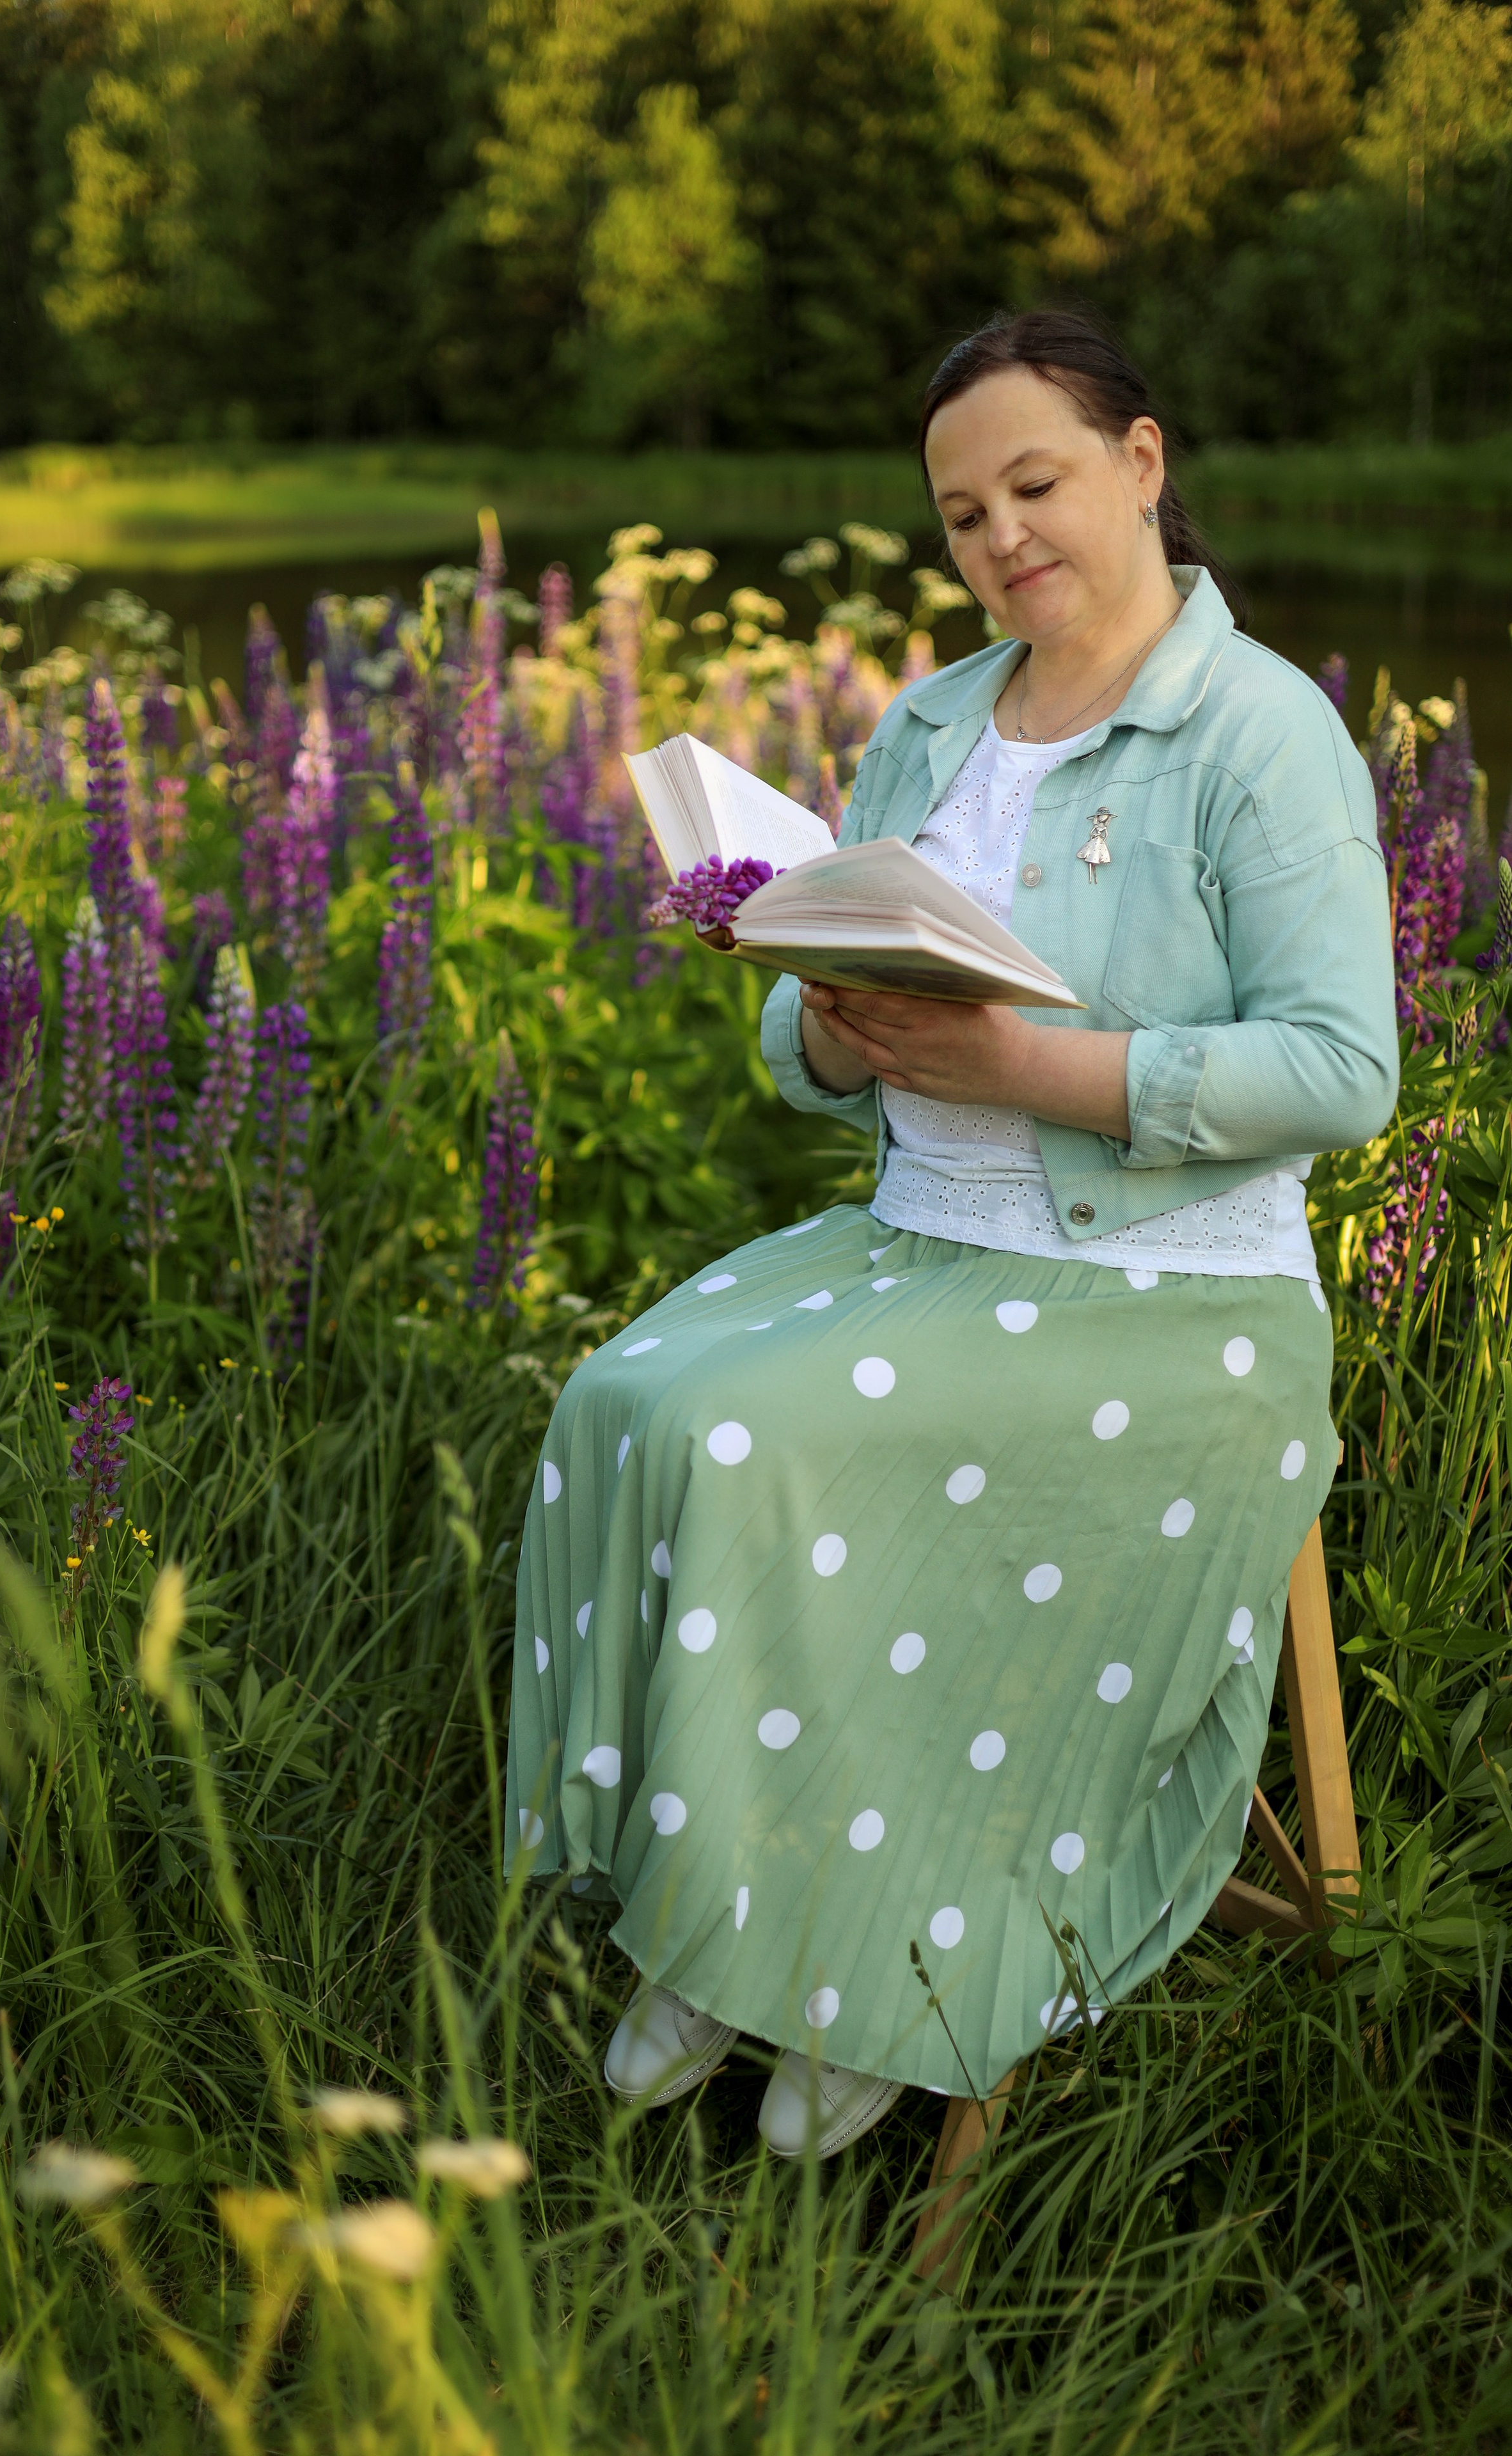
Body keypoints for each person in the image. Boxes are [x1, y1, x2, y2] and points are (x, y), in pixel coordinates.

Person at [503, 308, 1398, 2160]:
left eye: (1036, 486)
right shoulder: (927, 724)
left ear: (1142, 465)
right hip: (919, 1245)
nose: (1002, 538)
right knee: (625, 1401)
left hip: (1166, 1295)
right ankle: (727, 1918)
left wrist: (1024, 1065)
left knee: (754, 1442)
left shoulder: (1260, 729)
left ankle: (879, 1964)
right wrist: (829, 1019)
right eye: (964, 514)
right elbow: (812, 1044)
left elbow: (1341, 1070)